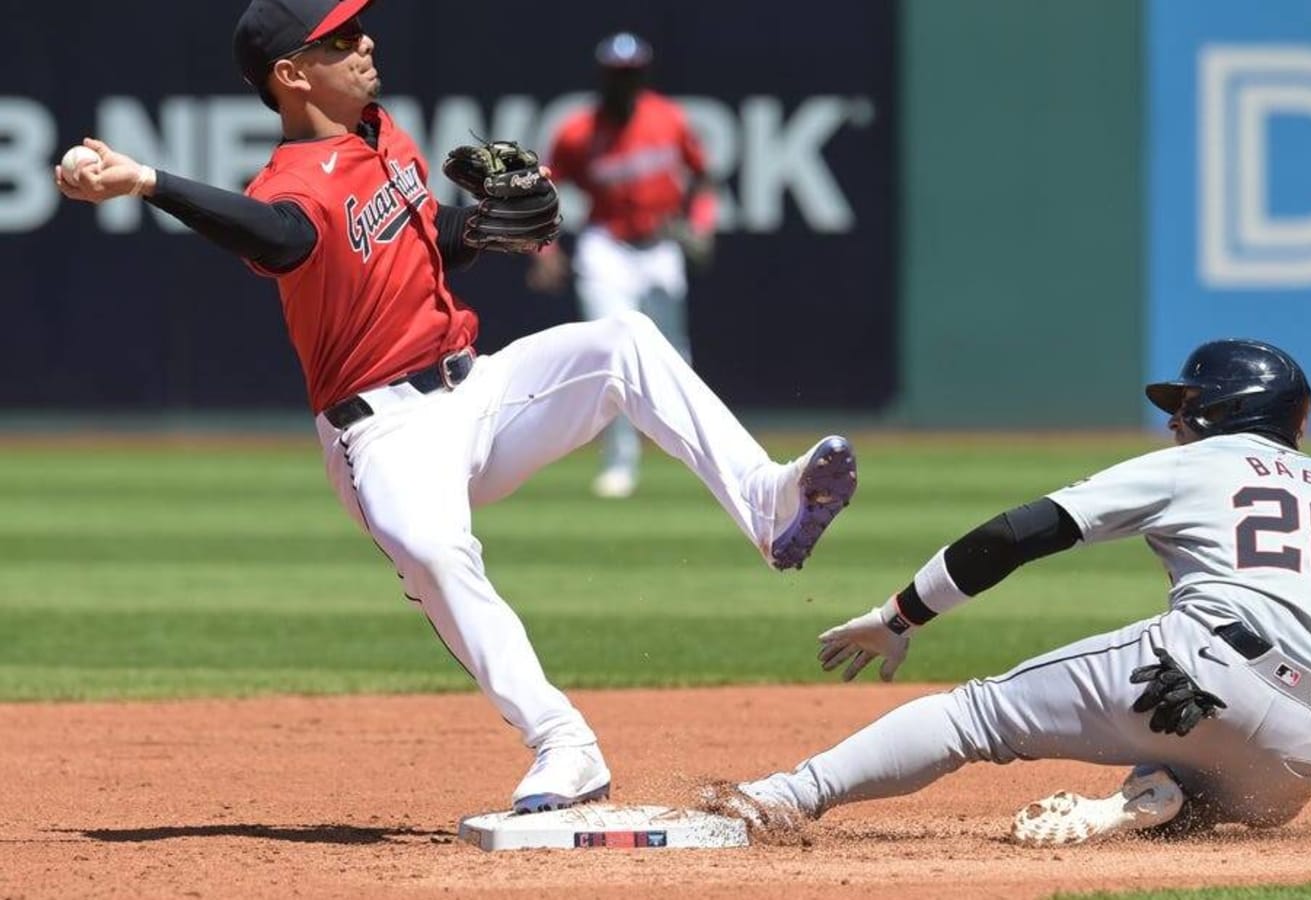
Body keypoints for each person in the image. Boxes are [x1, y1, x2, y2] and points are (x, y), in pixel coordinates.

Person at [55, 0, 857, 815]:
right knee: (433, 550)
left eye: (358, 29)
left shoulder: (379, 130)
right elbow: (273, 235)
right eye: (339, 39)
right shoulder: (290, 184)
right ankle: (563, 744)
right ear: (291, 75)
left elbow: (420, 239)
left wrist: (473, 231)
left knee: (627, 339)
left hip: (477, 390)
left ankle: (769, 503)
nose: (364, 43)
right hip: (387, 431)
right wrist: (147, 180)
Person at [706, 339, 1311, 844]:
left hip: (1202, 675)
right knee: (1221, 800)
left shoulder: (1193, 464)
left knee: (971, 715)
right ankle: (1162, 792)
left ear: (1224, 411)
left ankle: (783, 797)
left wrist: (899, 616)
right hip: (1301, 764)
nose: (1176, 418)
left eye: (1187, 404)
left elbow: (1019, 533)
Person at [528, 32, 719, 499]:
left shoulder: (668, 118)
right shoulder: (578, 131)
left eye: (631, 74)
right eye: (617, 75)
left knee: (674, 355)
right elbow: (540, 193)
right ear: (604, 77)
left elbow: (704, 176)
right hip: (607, 247)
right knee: (610, 352)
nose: (624, 83)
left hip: (659, 245)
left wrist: (701, 224)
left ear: (643, 76)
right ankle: (619, 463)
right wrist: (546, 250)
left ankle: (703, 460)